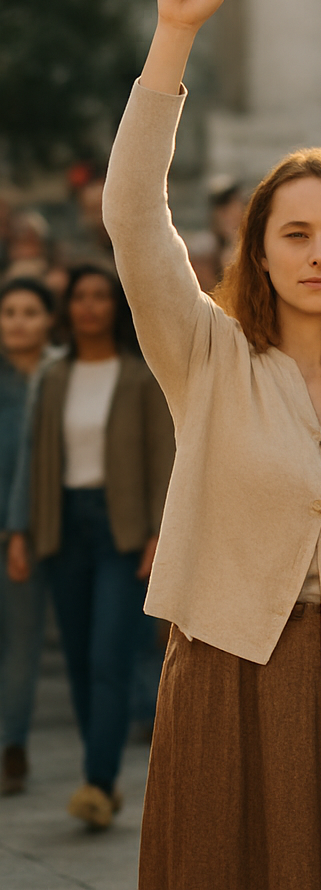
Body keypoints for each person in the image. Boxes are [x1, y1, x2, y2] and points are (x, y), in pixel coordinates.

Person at [104, 0, 321, 886]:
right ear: (259, 246)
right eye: (294, 234)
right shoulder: (206, 355)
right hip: (224, 683)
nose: (319, 254)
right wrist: (173, 37)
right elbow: (133, 217)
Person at [5, 264, 173, 827]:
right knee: (77, 659)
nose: (90, 306)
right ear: (67, 308)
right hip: (63, 528)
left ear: (115, 307)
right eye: (80, 297)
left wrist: (158, 533)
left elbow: (163, 458)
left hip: (120, 531)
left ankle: (99, 782)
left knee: (108, 656)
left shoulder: (140, 374)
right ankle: (97, 773)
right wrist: (20, 530)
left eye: (102, 297)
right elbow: (32, 457)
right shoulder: (52, 376)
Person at [0, 278, 59, 796]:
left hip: (39, 533)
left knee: (21, 648)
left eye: (29, 311)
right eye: (9, 311)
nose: (17, 321)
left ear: (48, 321)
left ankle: (10, 748)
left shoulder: (60, 375)